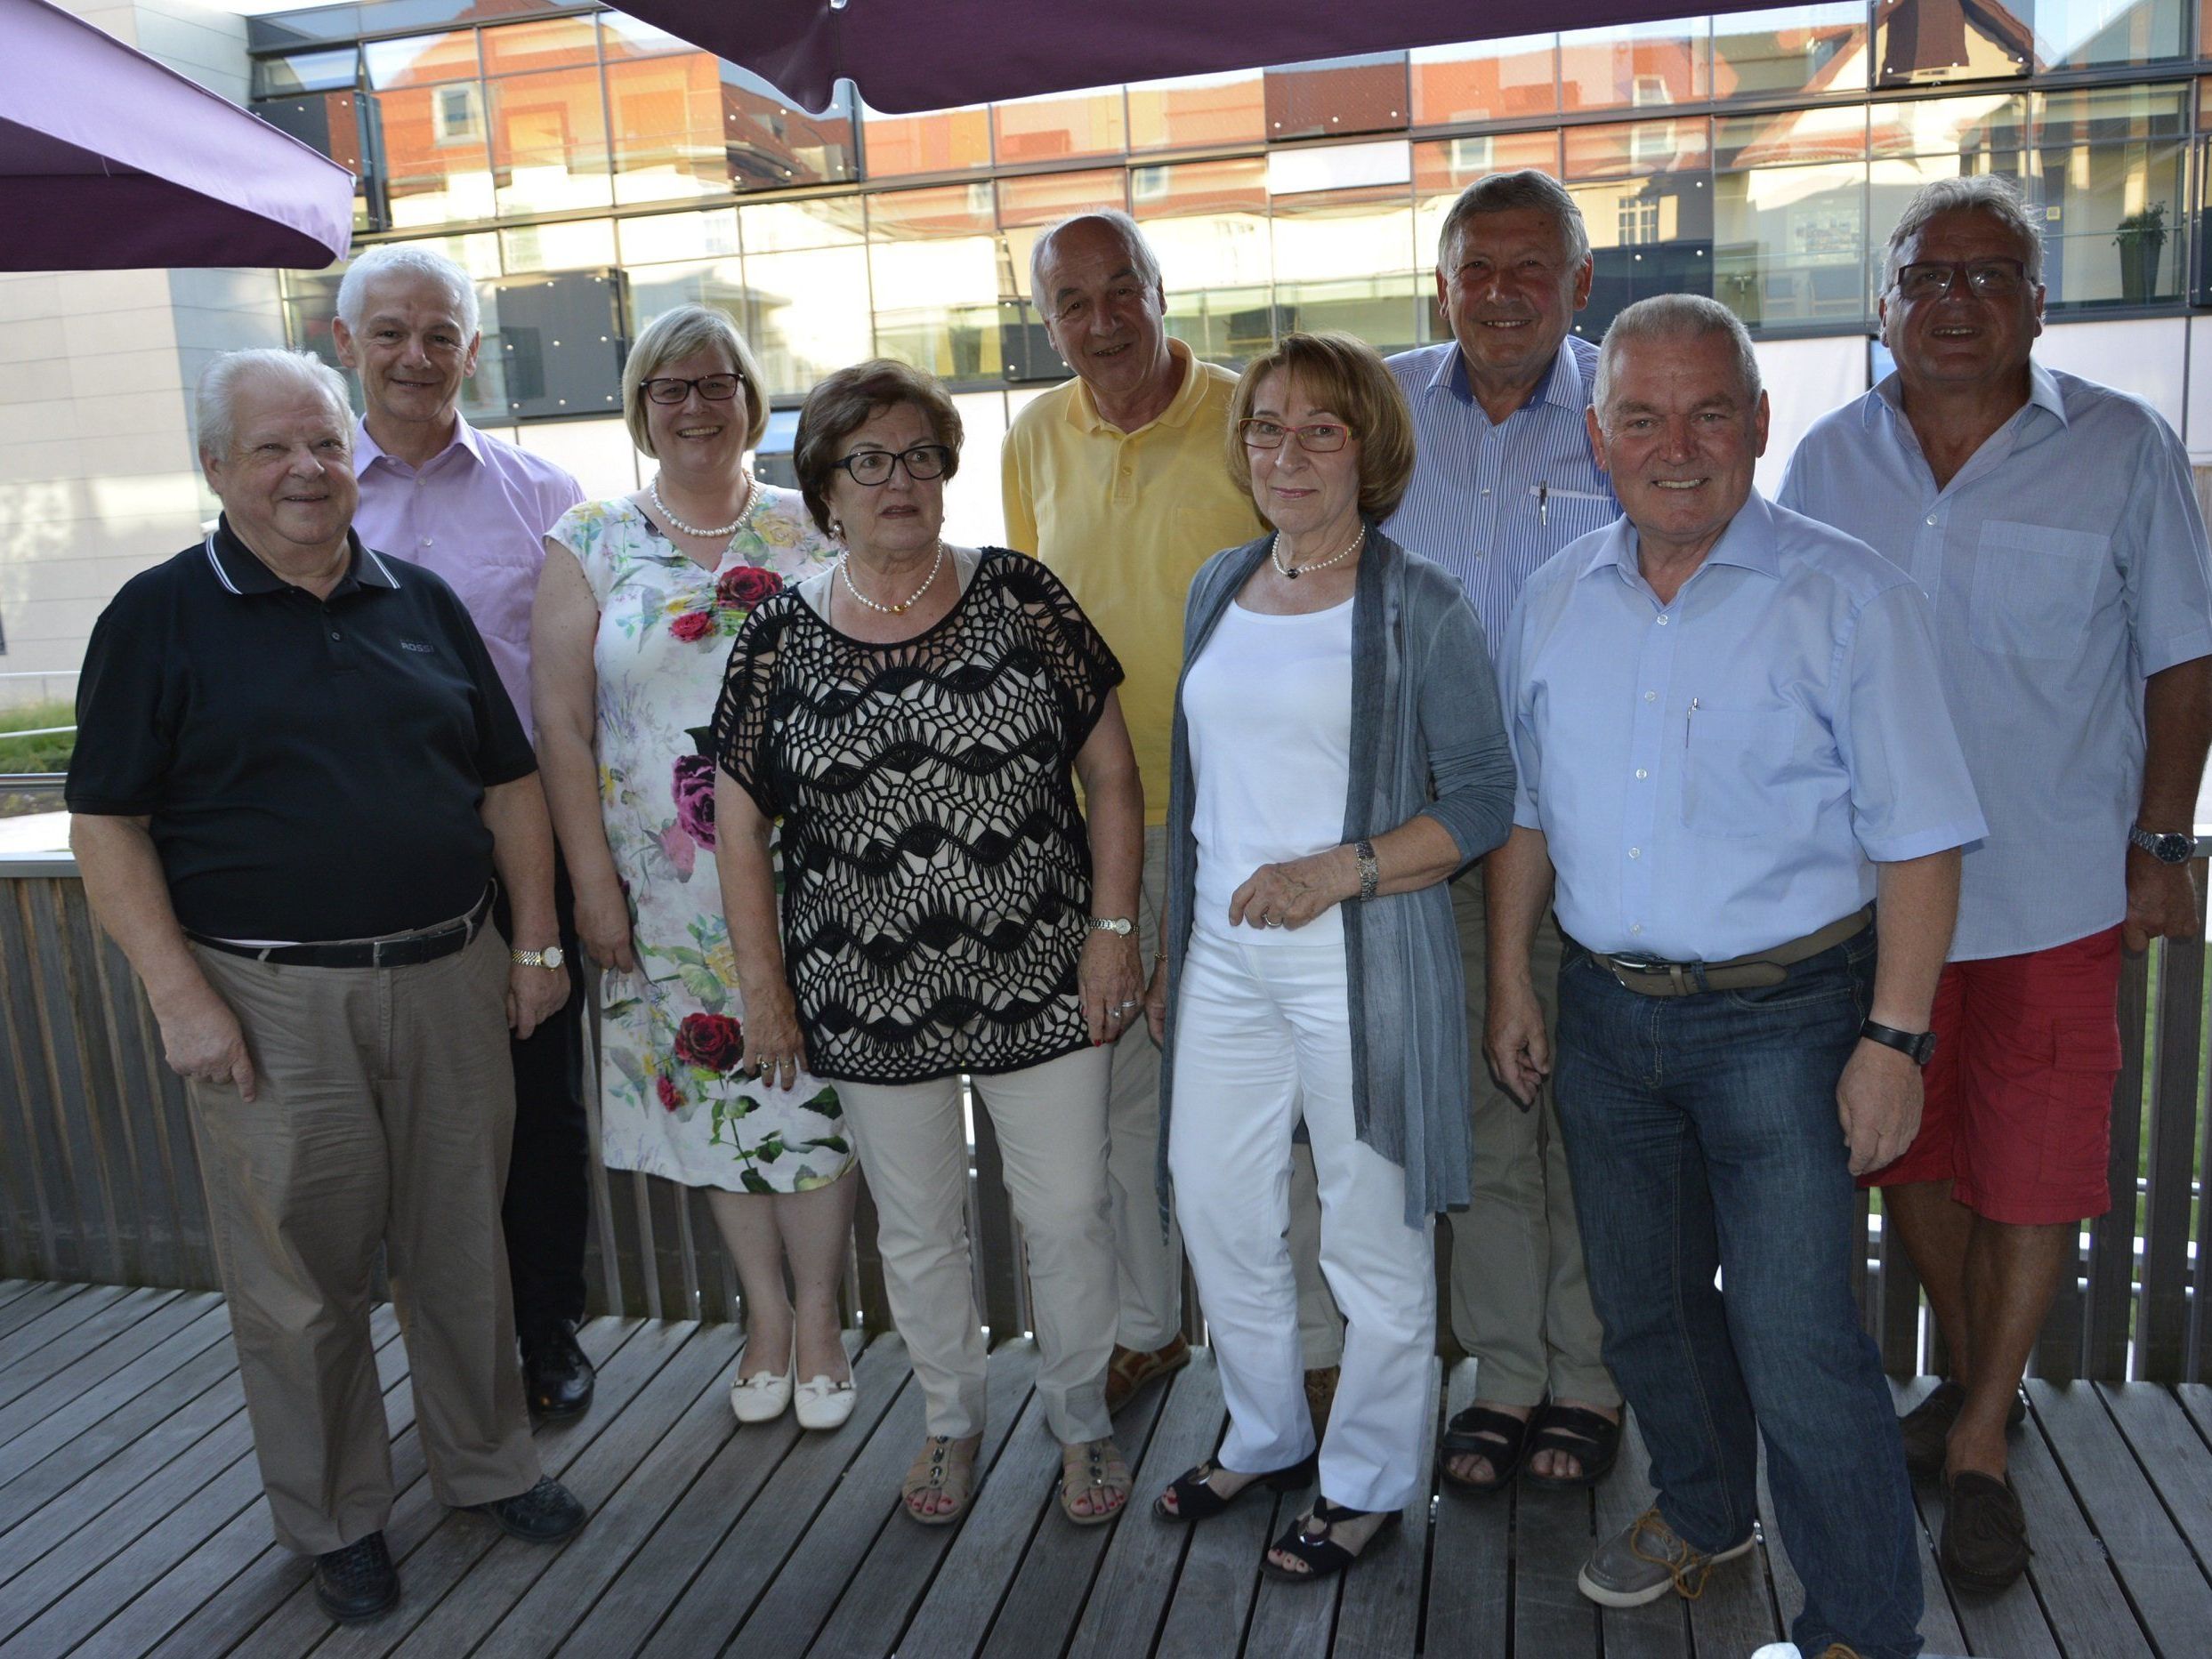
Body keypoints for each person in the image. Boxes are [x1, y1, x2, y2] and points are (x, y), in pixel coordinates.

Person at [1492, 295, 1985, 1659]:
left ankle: (1859, 1626)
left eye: (1710, 412)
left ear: (1758, 423)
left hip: (1788, 1022)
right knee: (1646, 1311)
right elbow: (1530, 812)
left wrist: (1894, 1039)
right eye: (1640, 417)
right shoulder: (1553, 597)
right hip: (1603, 1012)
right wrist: (1511, 985)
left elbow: (1921, 838)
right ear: (1598, 439)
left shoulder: (1848, 595)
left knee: (1798, 1342)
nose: (1676, 446)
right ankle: (1706, 1514)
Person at [66, 349, 587, 1624]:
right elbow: (107, 827)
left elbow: (507, 782)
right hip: (270, 1001)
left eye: (322, 444)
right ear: (216, 470)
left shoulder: (419, 598)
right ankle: (339, 1516)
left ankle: (482, 1464)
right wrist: (180, 998)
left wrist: (532, 943)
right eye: (272, 449)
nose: (307, 470)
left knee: (467, 1245)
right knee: (303, 1281)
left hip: (452, 973)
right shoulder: (155, 614)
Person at [1779, 174, 2212, 1592]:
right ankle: (1984, 1400)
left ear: (2039, 300)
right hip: (1869, 895)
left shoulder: (2123, 449)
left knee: (2029, 1173)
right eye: (1926, 275)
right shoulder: (1828, 460)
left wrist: (2161, 843)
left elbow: (2180, 662)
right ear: (1883, 305)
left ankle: (1970, 1448)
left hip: (2053, 890)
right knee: (1903, 1155)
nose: (1954, 298)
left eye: (1989, 273)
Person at [714, 358, 1143, 1529]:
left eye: (918, 456)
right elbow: (740, 830)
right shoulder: (775, 639)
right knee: (918, 1229)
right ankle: (949, 1420)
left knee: (1063, 1213)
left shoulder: (1022, 596)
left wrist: (1113, 932)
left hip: (1043, 978)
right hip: (861, 996)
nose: (898, 479)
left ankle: (1081, 1422)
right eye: (868, 461)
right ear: (826, 491)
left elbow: (1109, 774)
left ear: (947, 471)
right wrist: (766, 989)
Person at [1150, 331, 1516, 1582]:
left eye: (1320, 429)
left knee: (1371, 1232)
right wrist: (1171, 937)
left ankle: (1363, 1481)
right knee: (1214, 1199)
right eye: (1265, 427)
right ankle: (1262, 1430)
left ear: (1371, 448)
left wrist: (1336, 869)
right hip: (1221, 956)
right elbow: (1198, 790)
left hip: (1356, 955)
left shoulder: (1420, 605)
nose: (1286, 452)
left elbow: (1478, 800)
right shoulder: (1218, 586)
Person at [1004, 211, 1348, 1424]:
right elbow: (1039, 630)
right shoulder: (1033, 435)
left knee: (1278, 1100)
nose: (1099, 323)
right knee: (1120, 1095)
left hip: (1242, 827)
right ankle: (1146, 1328)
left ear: (1161, 291)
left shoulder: (1244, 422)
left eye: (1119, 292)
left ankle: (1310, 1344)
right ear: (1042, 317)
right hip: (1095, 823)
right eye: (1069, 304)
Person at [533, 305, 860, 1433]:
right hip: (660, 889)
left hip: (812, 877)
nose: (693, 406)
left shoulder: (813, 528)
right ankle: (762, 1314)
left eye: (714, 383)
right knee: (716, 1099)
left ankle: (819, 1318)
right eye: (668, 388)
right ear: (638, 407)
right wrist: (590, 887)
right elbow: (563, 729)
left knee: (811, 1099)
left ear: (748, 398)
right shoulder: (589, 539)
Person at [1383, 168, 1623, 1494]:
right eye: (1476, 266)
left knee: (1583, 1114)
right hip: (1436, 841)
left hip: (1591, 839)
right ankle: (1505, 1372)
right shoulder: (1383, 414)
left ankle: (1588, 1375)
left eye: (1532, 268)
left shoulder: (1619, 414)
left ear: (1580, 286)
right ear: (1442, 282)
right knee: (1484, 1117)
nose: (1501, 292)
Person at [332, 243, 596, 1422]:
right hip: (373, 860)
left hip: (524, 853)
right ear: (346, 345)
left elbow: (589, 691)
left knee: (538, 1111)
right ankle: (442, 1353)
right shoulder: (306, 487)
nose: (414, 355)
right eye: (388, 331)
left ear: (474, 354)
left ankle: (544, 1334)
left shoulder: (543, 496)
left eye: (439, 333)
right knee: (400, 1130)